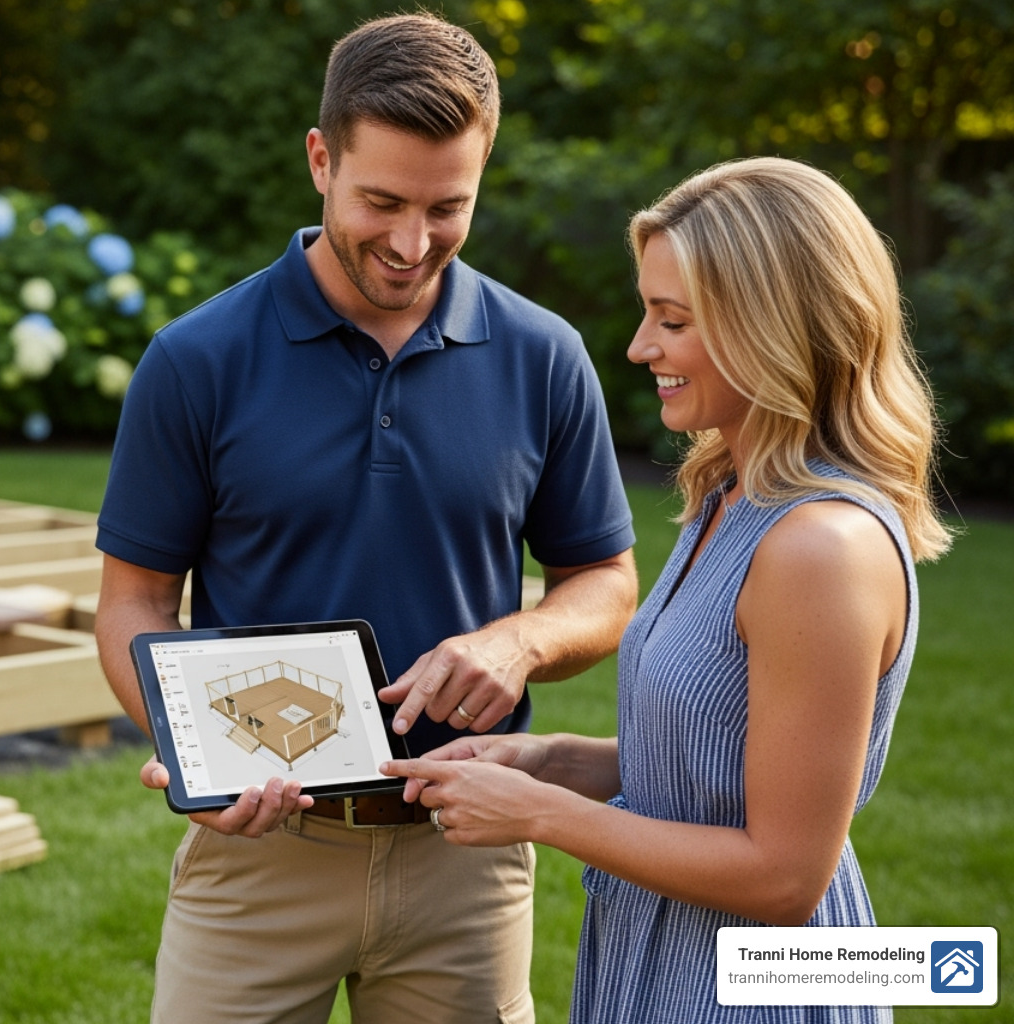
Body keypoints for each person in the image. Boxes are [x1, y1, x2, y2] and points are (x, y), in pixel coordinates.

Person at [93, 12, 638, 1024]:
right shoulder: (195, 359)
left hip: (466, 849)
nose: (409, 241)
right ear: (319, 159)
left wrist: (518, 642)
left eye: (447, 207)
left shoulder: (545, 354)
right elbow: (131, 602)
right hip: (261, 858)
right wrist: (194, 752)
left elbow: (605, 583)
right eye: (380, 200)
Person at [382, 156, 955, 1024]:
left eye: (672, 320)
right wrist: (557, 762)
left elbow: (786, 875)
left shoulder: (821, 548)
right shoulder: (731, 496)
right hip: (662, 955)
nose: (640, 346)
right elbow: (723, 760)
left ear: (772, 327)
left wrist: (538, 813)